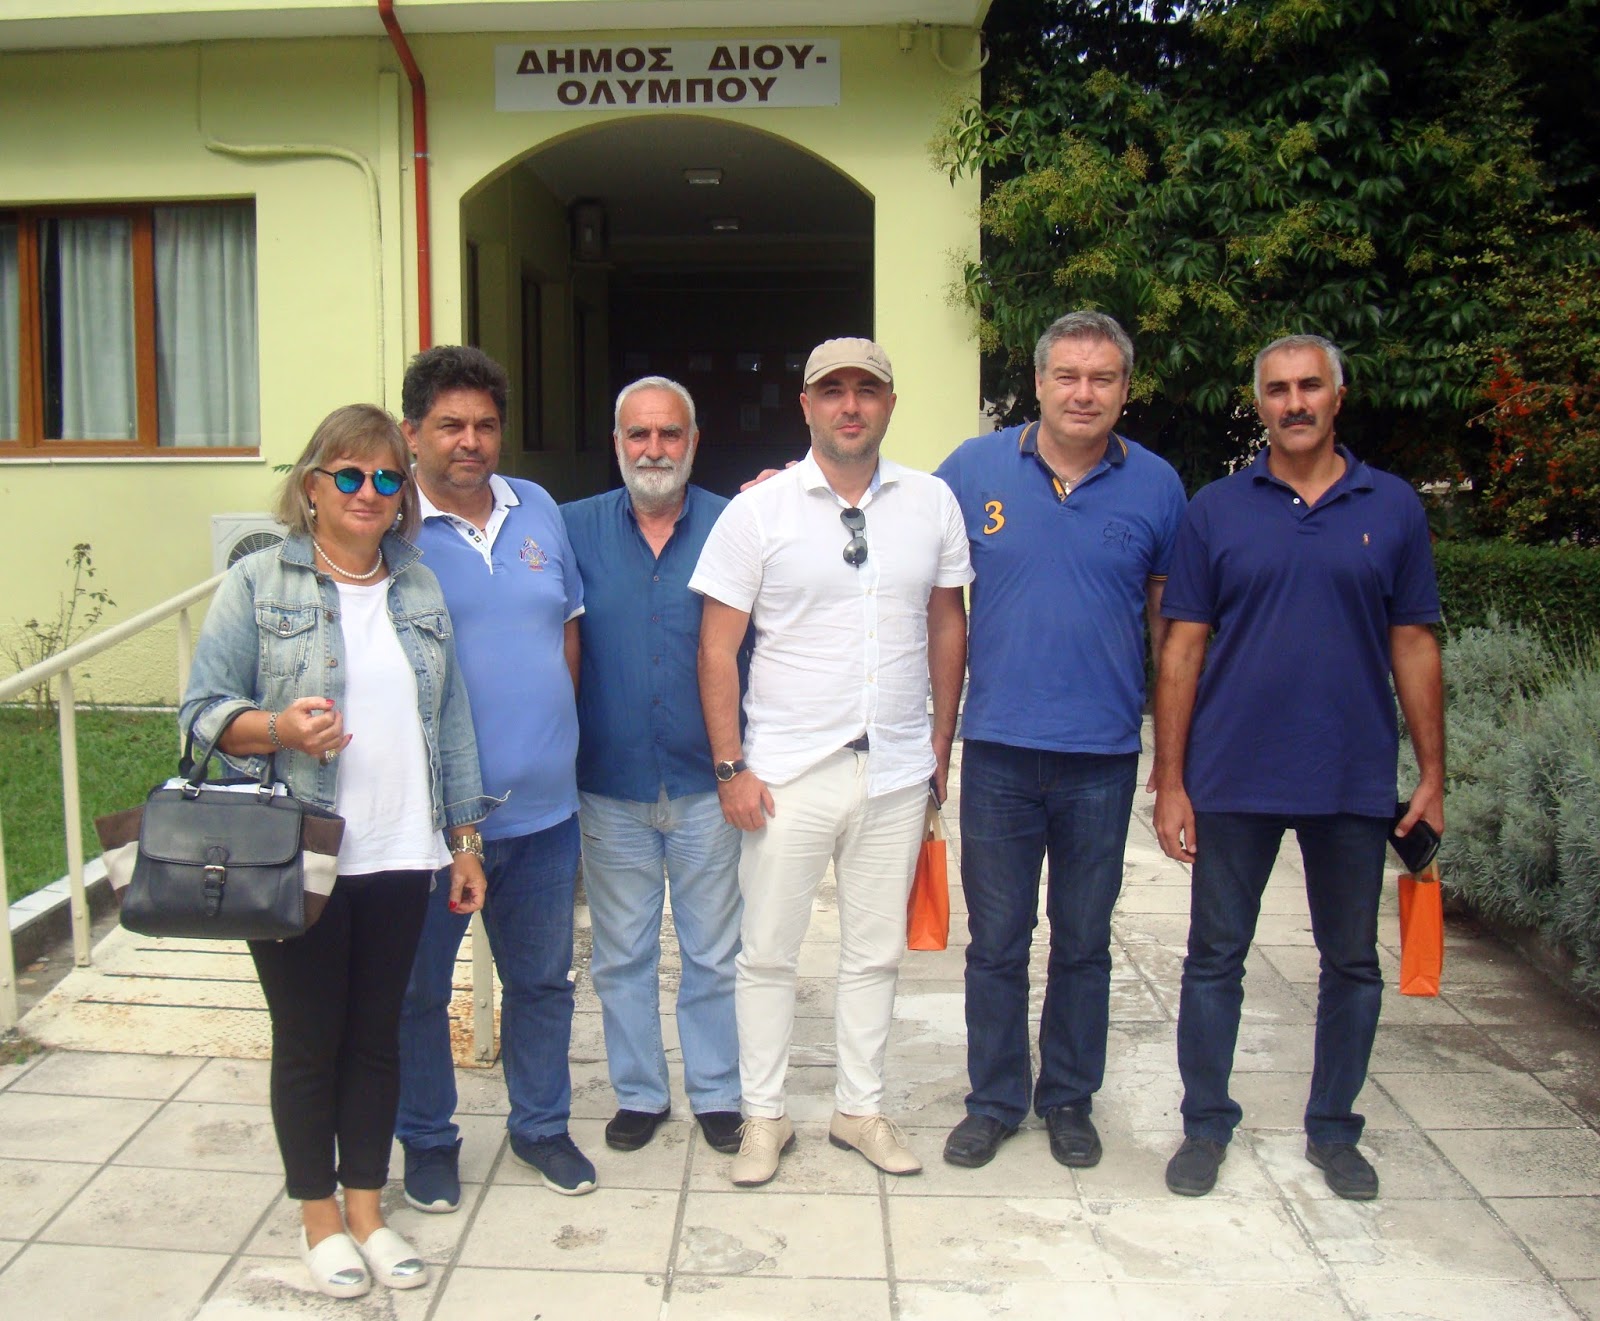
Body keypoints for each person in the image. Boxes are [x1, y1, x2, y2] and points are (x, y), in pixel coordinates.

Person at [180, 404, 491, 1299]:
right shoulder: (259, 582)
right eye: (349, 474)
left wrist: (464, 840)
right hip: (297, 852)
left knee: (378, 1035)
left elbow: (452, 722)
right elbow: (200, 711)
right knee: (311, 1039)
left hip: (402, 851)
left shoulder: (418, 586)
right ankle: (318, 1216)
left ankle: (366, 1208)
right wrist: (276, 728)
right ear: (311, 486)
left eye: (387, 477)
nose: (368, 491)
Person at [1154, 333, 1445, 1200]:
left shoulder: (1392, 506)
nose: (1295, 402)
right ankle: (1205, 1124)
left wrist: (1434, 774)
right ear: (1261, 404)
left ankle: (1333, 1128)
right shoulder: (1216, 508)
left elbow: (1414, 642)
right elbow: (1181, 649)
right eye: (1277, 389)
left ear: (1337, 396)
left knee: (1351, 963)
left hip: (1350, 777)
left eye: (1310, 386)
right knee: (1215, 958)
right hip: (1233, 775)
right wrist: (1170, 778)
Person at [692, 337, 972, 1186]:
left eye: (867, 390)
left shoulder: (931, 502)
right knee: (768, 952)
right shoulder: (760, 511)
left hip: (894, 768)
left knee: (875, 952)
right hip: (786, 770)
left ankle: (860, 1108)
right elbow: (716, 647)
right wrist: (730, 766)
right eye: (833, 390)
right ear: (806, 404)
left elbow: (947, 621)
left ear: (889, 403)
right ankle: (764, 1115)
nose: (851, 405)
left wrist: (940, 745)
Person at [934, 311, 1187, 1172]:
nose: (1084, 392)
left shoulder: (1157, 486)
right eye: (1068, 376)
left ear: (1125, 389)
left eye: (1102, 378)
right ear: (1038, 382)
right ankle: (995, 1100)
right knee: (997, 942)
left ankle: (1069, 1097)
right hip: (998, 753)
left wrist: (1174, 765)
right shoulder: (972, 470)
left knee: (1083, 941)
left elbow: (1173, 633)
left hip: (1101, 759)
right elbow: (900, 546)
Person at [394, 346, 594, 1208]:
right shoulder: (391, 527)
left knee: (542, 982)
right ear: (412, 433)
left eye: (484, 424)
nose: (469, 441)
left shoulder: (537, 507)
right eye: (450, 425)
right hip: (431, 823)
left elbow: (567, 630)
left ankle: (541, 1126)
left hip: (545, 814)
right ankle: (428, 1139)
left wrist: (547, 732)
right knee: (418, 991)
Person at [561, 377, 744, 1156]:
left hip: (709, 784)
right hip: (610, 782)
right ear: (617, 444)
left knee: (713, 952)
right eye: (639, 434)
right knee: (621, 954)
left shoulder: (738, 523)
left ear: (694, 443)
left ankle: (718, 1091)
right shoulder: (570, 527)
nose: (654, 449)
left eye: (670, 434)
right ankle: (639, 1092)